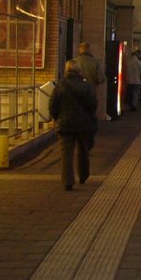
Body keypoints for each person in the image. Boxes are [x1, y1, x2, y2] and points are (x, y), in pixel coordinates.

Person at [49, 59, 97, 191]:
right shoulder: (86, 86)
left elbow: (52, 105)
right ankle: (83, 175)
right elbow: (93, 104)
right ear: (79, 71)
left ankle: (68, 181)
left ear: (66, 70)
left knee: (66, 154)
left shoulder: (60, 85)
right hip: (84, 124)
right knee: (83, 150)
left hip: (65, 124)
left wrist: (57, 117)